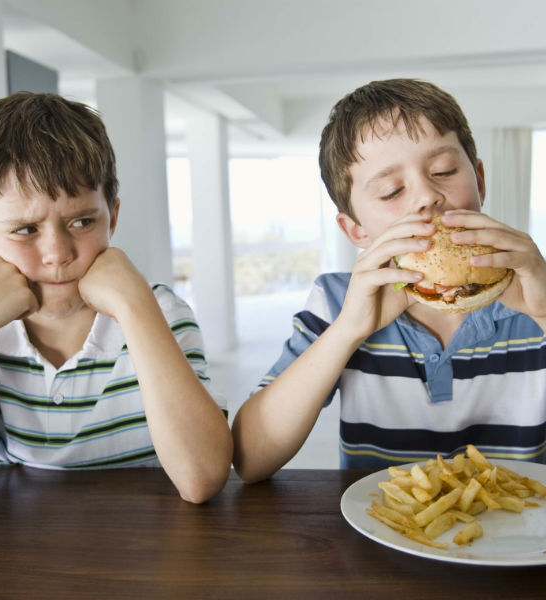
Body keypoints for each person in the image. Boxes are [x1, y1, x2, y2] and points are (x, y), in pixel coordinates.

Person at [232, 79, 546, 482]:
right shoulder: (335, 300)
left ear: (480, 181)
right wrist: (347, 331)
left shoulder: (536, 285)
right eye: (390, 190)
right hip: (378, 531)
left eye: (444, 171)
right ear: (356, 231)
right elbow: (250, 459)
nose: (426, 196)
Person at [0, 92, 232, 503]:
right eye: (25, 230)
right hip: (11, 558)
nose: (58, 254)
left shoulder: (161, 315)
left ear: (112, 217)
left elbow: (202, 478)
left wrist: (135, 308)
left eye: (81, 221)